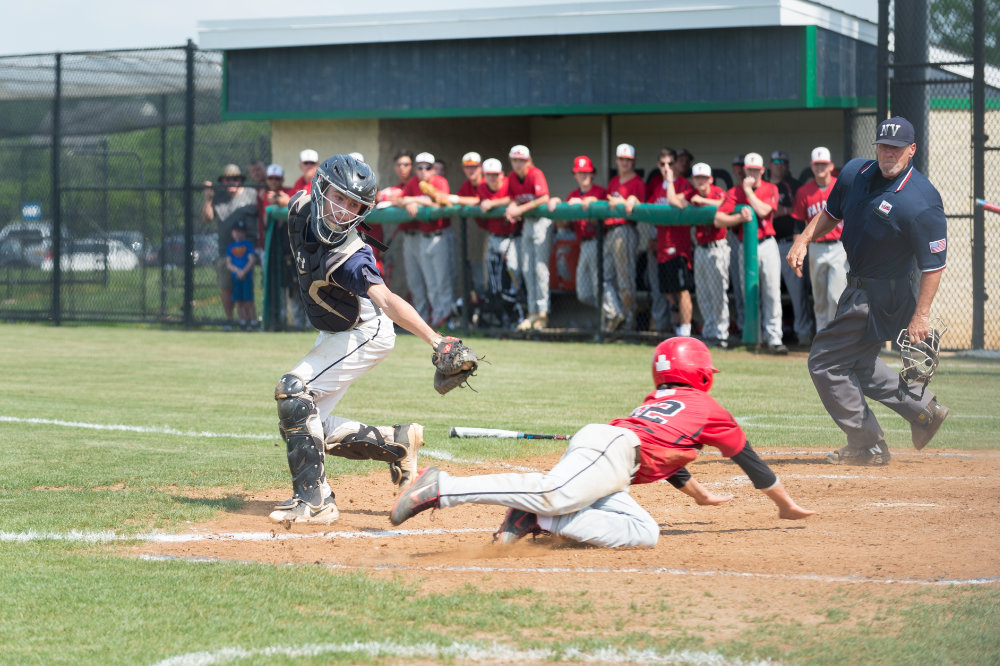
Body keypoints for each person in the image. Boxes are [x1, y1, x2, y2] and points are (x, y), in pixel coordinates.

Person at [390, 337, 814, 548]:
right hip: (613, 453)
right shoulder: (707, 407)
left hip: (613, 456)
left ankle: (540, 521)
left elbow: (669, 457)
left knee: (644, 532)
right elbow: (752, 463)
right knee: (552, 492)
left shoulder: (660, 399)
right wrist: (785, 505)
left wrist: (699, 496)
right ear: (701, 372)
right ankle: (444, 487)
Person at [268, 153, 451, 524]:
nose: (343, 212)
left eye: (354, 206)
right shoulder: (299, 208)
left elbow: (387, 300)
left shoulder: (352, 256)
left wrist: (436, 341)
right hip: (337, 330)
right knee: (302, 422)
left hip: (365, 331)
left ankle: (316, 502)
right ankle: (397, 443)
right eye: (339, 198)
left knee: (293, 391)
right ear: (321, 190)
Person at [786, 116, 950, 466]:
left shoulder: (922, 200)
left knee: (824, 361)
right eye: (883, 147)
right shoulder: (855, 174)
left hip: (884, 294)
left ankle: (867, 443)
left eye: (896, 147)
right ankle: (924, 410)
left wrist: (921, 314)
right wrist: (803, 238)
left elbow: (934, 265)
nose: (888, 153)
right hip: (857, 285)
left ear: (912, 149)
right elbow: (831, 212)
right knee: (857, 363)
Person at [714, 152, 786, 354]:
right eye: (749, 170)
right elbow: (718, 219)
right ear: (744, 171)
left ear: (762, 170)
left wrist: (748, 192)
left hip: (767, 243)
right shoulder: (734, 191)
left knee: (772, 292)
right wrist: (738, 218)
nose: (753, 173)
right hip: (745, 245)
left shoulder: (770, 187)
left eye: (756, 170)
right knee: (749, 293)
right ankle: (753, 338)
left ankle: (774, 338)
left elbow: (764, 211)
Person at [791, 147, 846, 333]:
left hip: (839, 246)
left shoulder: (841, 186)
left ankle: (833, 338)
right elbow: (798, 224)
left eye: (823, 164)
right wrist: (798, 251)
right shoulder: (804, 191)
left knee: (835, 296)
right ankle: (821, 340)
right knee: (820, 298)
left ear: (831, 166)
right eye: (817, 164)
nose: (820, 167)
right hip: (815, 247)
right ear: (811, 167)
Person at [548, 155, 607, 325]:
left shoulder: (599, 191)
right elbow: (564, 223)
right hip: (583, 244)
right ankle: (607, 313)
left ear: (592, 174)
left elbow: (598, 202)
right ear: (575, 175)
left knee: (598, 287)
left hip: (599, 242)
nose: (583, 176)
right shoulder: (572, 194)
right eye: (580, 173)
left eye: (586, 172)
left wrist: (582, 202)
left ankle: (605, 321)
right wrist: (558, 203)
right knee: (583, 291)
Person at [202, 163, 258, 331]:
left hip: (248, 252)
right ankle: (231, 320)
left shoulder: (251, 194)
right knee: (226, 288)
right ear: (223, 181)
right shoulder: (217, 197)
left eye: (235, 179)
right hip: (226, 252)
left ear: (240, 180)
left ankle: (250, 321)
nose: (232, 182)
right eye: (228, 179)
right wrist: (207, 197)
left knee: (247, 291)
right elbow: (207, 218)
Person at [401, 152, 454, 328]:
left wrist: (416, 200)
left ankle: (445, 316)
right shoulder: (413, 183)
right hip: (423, 237)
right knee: (431, 283)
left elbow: (441, 202)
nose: (424, 171)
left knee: (442, 281)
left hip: (440, 235)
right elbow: (400, 200)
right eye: (420, 167)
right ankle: (437, 317)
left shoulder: (440, 182)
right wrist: (409, 202)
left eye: (428, 167)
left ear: (433, 169)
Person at [504, 145, 552, 331]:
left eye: (521, 160)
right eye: (515, 160)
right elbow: (514, 198)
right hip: (527, 223)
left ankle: (542, 314)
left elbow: (543, 198)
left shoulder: (535, 173)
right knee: (526, 269)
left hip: (541, 221)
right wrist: (512, 207)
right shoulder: (512, 177)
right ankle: (532, 313)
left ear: (528, 161)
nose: (517, 164)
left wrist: (519, 209)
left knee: (540, 269)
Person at [645, 154, 693, 337]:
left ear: (676, 165)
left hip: (679, 247)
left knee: (682, 290)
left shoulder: (683, 184)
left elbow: (677, 202)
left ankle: (686, 332)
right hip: (662, 247)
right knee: (668, 292)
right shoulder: (657, 188)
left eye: (670, 164)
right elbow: (648, 212)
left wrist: (671, 183)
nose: (666, 167)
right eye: (662, 164)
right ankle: (677, 329)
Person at [682, 162, 729, 347]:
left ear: (710, 179)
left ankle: (722, 335)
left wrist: (703, 202)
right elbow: (676, 201)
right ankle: (710, 334)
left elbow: (725, 204)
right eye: (697, 178)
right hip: (700, 249)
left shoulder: (717, 192)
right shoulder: (691, 193)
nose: (701, 181)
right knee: (703, 294)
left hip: (718, 248)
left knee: (718, 295)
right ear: (693, 180)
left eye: (704, 178)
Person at [770, 150, 813, 347]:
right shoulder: (763, 185)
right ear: (769, 165)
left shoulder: (794, 186)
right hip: (768, 243)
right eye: (776, 161)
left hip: (790, 242)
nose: (779, 165)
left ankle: (803, 335)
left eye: (783, 161)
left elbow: (799, 212)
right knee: (768, 293)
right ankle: (769, 336)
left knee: (798, 293)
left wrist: (783, 211)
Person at [476, 157, 523, 328]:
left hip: (512, 237)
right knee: (494, 280)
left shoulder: (509, 183)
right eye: (489, 175)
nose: (492, 178)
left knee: (513, 274)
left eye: (495, 175)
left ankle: (518, 313)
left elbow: (514, 198)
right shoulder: (482, 187)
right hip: (494, 237)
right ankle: (501, 315)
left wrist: (492, 203)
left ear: (501, 174)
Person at [604, 143, 645, 330]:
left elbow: (639, 206)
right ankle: (616, 314)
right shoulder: (614, 182)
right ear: (616, 161)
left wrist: (625, 201)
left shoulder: (637, 182)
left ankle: (629, 323)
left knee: (624, 280)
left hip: (625, 231)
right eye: (621, 159)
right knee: (605, 278)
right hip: (610, 231)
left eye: (628, 160)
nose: (624, 163)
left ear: (633, 161)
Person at [225, 219, 257, 331]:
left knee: (248, 300)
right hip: (236, 277)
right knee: (238, 301)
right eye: (235, 231)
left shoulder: (248, 245)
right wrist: (237, 271)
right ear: (232, 233)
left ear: (245, 233)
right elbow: (228, 263)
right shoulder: (230, 247)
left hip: (246, 277)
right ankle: (242, 321)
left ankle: (253, 322)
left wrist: (243, 271)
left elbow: (251, 260)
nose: (238, 233)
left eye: (240, 231)